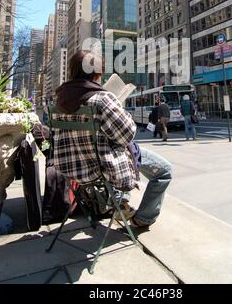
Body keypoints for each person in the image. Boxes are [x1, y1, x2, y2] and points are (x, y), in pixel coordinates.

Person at [54, 50, 172, 229]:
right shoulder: (101, 98)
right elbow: (128, 134)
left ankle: (120, 204)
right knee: (164, 171)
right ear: (97, 74)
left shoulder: (59, 101)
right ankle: (144, 218)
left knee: (114, 149)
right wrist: (119, 106)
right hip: (102, 167)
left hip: (73, 168)